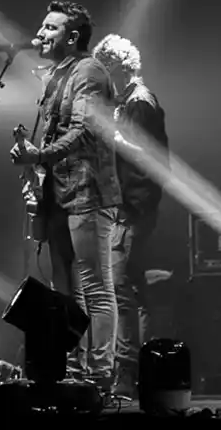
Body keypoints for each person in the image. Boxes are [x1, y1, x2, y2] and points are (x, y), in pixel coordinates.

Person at [10, 0, 121, 387]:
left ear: (72, 37)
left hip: (88, 193)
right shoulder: (57, 74)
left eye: (49, 28)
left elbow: (86, 130)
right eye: (42, 27)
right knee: (64, 290)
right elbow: (57, 132)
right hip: (59, 194)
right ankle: (73, 370)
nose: (39, 33)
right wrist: (32, 159)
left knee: (95, 287)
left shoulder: (88, 70)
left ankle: (100, 373)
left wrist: (40, 153)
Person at [93, 33, 169, 399]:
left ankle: (127, 375)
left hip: (135, 209)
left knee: (123, 289)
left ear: (118, 69)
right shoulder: (130, 102)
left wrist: (113, 138)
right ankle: (136, 372)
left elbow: (147, 157)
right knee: (129, 289)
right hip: (129, 207)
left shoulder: (141, 103)